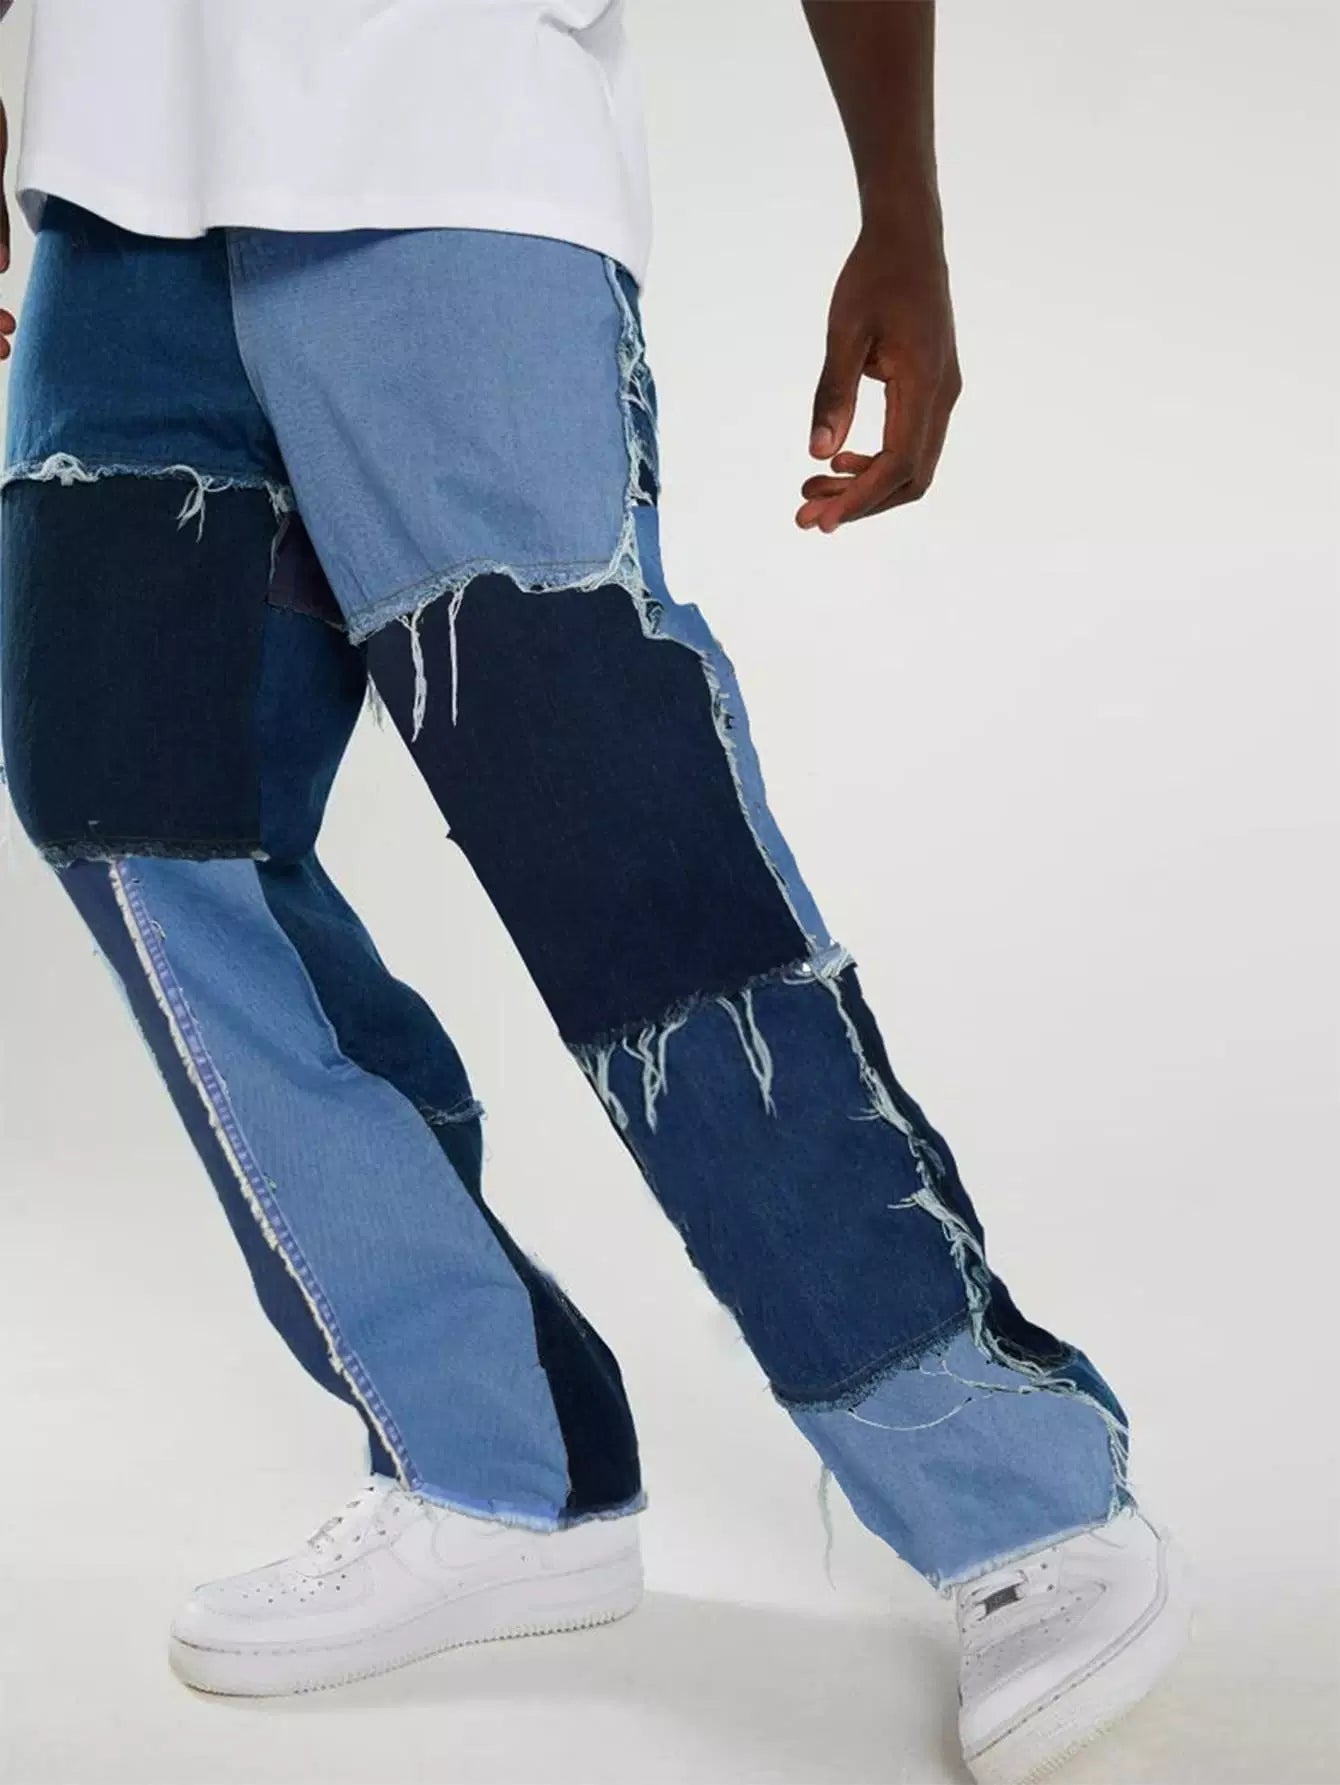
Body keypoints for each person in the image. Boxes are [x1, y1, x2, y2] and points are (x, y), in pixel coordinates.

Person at [0, 3, 1191, 1779]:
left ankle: (1022, 1498)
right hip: (113, 180)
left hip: (450, 134)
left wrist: (902, 208)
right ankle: (499, 1458)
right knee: (135, 808)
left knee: (618, 842)